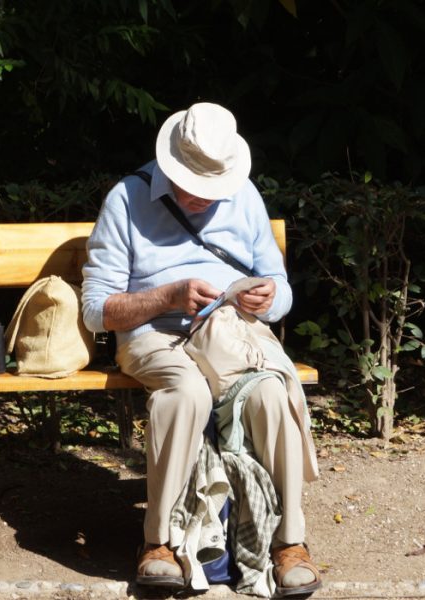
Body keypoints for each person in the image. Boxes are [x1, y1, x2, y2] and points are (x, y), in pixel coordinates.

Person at [81, 102, 322, 596]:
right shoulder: (126, 200)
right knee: (186, 391)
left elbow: (280, 285)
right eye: (193, 184)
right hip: (155, 336)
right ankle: (160, 543)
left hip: (231, 336)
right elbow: (96, 310)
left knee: (271, 394)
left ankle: (287, 544)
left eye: (212, 186)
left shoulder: (244, 195)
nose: (202, 197)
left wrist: (271, 297)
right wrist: (166, 296)